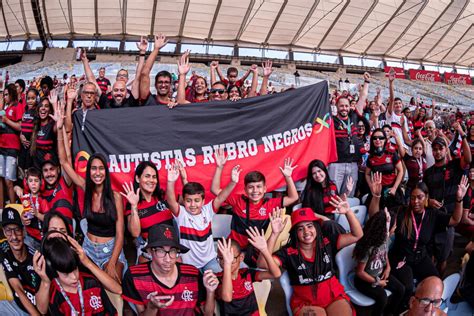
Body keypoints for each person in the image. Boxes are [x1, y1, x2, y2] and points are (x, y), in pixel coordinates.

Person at [368, 175, 468, 307]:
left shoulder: (432, 214)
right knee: (408, 287)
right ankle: (400, 309)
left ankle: (423, 306)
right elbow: (375, 217)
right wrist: (376, 196)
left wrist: (459, 199)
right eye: (413, 198)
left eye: (420, 197)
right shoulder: (401, 212)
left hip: (421, 257)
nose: (415, 201)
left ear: (426, 198)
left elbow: (455, 220)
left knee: (435, 280)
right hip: (401, 258)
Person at [262, 202, 362, 315]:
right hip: (306, 302)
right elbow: (263, 264)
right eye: (300, 229)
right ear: (295, 233)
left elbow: (357, 235)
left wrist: (348, 212)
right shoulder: (288, 252)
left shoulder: (327, 242)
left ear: (316, 227)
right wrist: (274, 234)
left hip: (333, 296)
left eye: (310, 226)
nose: (306, 231)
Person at [211, 150, 299, 266]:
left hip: (255, 251)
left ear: (265, 189)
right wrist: (219, 167)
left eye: (258, 187)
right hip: (232, 250)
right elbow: (215, 190)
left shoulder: (270, 203)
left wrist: (288, 177)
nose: (255, 191)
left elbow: (293, 197)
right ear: (246, 190)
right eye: (251, 187)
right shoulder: (238, 200)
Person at [122, 224, 218, 316]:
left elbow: (208, 313)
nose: (168, 259)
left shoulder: (193, 274)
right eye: (161, 251)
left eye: (172, 251)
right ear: (149, 251)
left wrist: (210, 291)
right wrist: (152, 307)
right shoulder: (134, 276)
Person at [166, 160, 240, 271]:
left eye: (197, 200)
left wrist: (233, 182)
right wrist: (170, 182)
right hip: (189, 264)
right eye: (188, 201)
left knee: (217, 283)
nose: (192, 205)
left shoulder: (207, 210)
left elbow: (221, 197)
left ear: (203, 201)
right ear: (184, 201)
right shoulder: (182, 214)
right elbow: (171, 201)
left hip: (210, 261)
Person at [33, 233, 121, 315]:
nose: (74, 277)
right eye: (66, 274)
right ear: (52, 270)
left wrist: (87, 262)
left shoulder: (92, 283)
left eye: (75, 269)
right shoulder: (53, 294)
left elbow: (117, 293)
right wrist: (45, 281)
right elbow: (42, 310)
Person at [424, 129, 471, 274]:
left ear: (446, 150)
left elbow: (468, 159)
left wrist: (462, 135)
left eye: (441, 149)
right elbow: (423, 195)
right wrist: (429, 201)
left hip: (449, 220)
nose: (437, 152)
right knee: (429, 253)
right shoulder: (428, 172)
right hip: (433, 217)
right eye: (435, 149)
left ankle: (439, 279)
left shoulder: (455, 165)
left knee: (443, 257)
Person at [215, 226, 281, 315]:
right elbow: (227, 297)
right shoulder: (217, 278)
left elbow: (275, 274)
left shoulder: (247, 273)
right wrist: (227, 263)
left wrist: (264, 250)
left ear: (241, 257)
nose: (225, 261)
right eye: (221, 258)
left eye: (231, 258)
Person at [353, 209, 405, 315]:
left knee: (401, 289)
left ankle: (389, 313)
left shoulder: (385, 239)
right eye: (393, 226)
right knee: (382, 298)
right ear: (386, 228)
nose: (395, 228)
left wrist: (388, 267)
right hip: (364, 281)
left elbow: (384, 254)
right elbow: (360, 272)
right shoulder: (368, 247)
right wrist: (377, 282)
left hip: (379, 274)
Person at [121, 161, 174, 263]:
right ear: (138, 178)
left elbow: (185, 208)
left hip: (171, 248)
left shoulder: (163, 197)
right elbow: (135, 233)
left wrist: (173, 181)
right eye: (147, 176)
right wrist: (134, 206)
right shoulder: (133, 204)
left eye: (154, 177)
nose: (151, 180)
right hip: (149, 252)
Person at [329, 72, 370, 196]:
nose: (344, 108)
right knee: (334, 195)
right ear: (336, 106)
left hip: (353, 164)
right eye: (341, 106)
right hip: (336, 164)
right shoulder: (331, 120)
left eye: (346, 106)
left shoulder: (354, 116)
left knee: (350, 196)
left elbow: (362, 98)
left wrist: (366, 82)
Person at [0, 207, 41, 315]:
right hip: (18, 306)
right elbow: (18, 289)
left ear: (23, 231)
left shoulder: (36, 257)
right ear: (4, 232)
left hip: (38, 308)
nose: (14, 236)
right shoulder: (4, 249)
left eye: (17, 230)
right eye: (9, 231)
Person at [365, 128, 404, 209]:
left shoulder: (392, 153)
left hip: (391, 190)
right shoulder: (370, 157)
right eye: (375, 138)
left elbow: (400, 171)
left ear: (385, 139)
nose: (378, 140)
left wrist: (394, 188)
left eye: (381, 137)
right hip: (377, 191)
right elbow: (367, 174)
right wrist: (371, 186)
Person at [0, 84, 24, 208]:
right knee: (1, 178)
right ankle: (1, 209)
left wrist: (7, 121)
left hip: (12, 148)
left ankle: (13, 209)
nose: (4, 97)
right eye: (3, 95)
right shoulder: (4, 108)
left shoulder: (17, 107)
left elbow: (20, 126)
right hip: (1, 146)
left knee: (9, 180)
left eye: (6, 94)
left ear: (11, 94)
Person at [29, 95, 57, 169]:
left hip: (49, 167)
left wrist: (54, 105)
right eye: (41, 106)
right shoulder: (35, 124)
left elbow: (59, 126)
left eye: (46, 106)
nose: (43, 108)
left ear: (50, 110)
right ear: (38, 109)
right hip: (36, 165)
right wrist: (21, 135)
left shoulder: (52, 125)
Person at [18, 88, 39, 172]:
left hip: (31, 145)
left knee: (28, 168)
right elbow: (22, 127)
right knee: (20, 168)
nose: (30, 101)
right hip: (23, 145)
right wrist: (21, 135)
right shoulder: (25, 112)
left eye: (33, 98)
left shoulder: (37, 112)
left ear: (37, 99)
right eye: (28, 98)